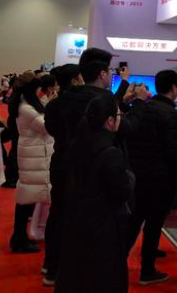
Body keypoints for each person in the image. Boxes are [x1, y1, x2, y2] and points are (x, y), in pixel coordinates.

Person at [42, 48, 147, 286]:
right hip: (99, 172)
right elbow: (127, 128)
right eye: (110, 70)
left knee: (60, 215)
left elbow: (53, 128)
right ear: (102, 73)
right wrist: (139, 103)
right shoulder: (102, 104)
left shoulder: (63, 100)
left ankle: (52, 267)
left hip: (64, 165)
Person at [54, 92, 135, 293]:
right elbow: (122, 191)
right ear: (109, 121)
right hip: (103, 227)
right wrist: (130, 177)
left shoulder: (78, 145)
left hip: (77, 222)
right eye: (118, 115)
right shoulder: (111, 152)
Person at [126, 70, 177, 286]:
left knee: (134, 220)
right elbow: (172, 150)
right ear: (174, 88)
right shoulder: (170, 113)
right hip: (160, 178)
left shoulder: (143, 108)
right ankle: (147, 270)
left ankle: (116, 260)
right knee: (153, 225)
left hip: (139, 174)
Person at [42, 64, 83, 285]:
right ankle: (63, 268)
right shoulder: (80, 104)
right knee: (71, 216)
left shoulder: (53, 105)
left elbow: (52, 130)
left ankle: (50, 264)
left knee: (56, 213)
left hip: (58, 162)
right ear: (75, 80)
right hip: (75, 165)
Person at [10, 71, 54, 253]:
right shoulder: (26, 108)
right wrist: (52, 105)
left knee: (28, 197)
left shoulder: (26, 105)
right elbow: (46, 126)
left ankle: (20, 237)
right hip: (33, 155)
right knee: (26, 199)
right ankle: (19, 239)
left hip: (33, 154)